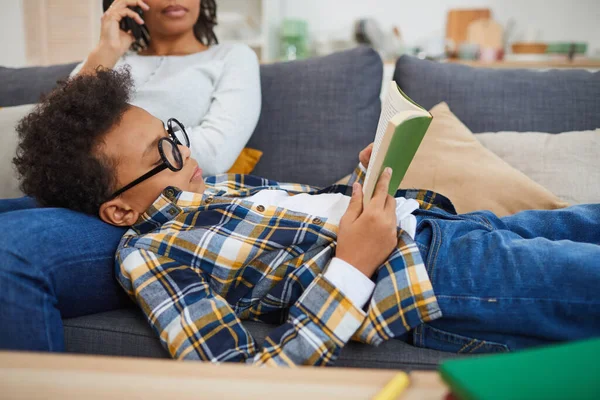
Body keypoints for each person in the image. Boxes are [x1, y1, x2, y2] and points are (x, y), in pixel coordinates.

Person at [10, 69, 600, 364]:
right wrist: (351, 266)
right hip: (437, 275)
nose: (184, 153)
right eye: (162, 155)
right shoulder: (151, 254)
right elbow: (244, 377)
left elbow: (301, 222)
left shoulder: (217, 188)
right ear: (117, 208)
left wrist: (363, 184)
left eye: (174, 135)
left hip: (452, 227)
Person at [0, 0, 260, 351]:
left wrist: (140, 144)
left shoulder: (231, 56)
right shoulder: (115, 59)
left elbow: (213, 152)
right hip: (83, 194)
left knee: (8, 247)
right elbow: (55, 133)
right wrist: (108, 49)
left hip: (151, 205)